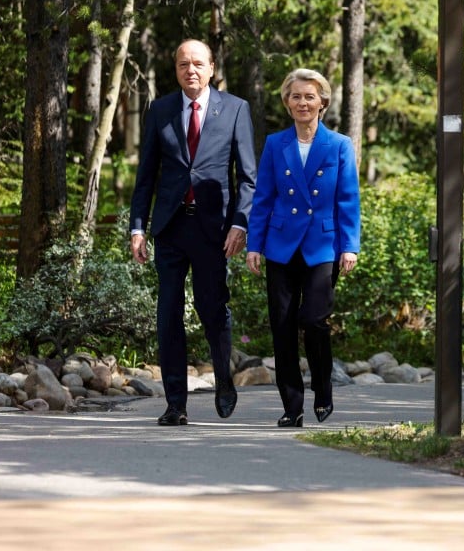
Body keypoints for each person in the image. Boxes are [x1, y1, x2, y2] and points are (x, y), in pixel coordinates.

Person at [129, 39, 257, 426]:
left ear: (212, 68)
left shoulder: (235, 109)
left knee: (212, 308)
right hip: (170, 226)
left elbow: (248, 178)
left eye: (198, 64)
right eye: (184, 64)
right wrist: (138, 228)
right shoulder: (161, 110)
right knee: (168, 313)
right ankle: (175, 404)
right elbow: (146, 175)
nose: (191, 71)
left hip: (214, 229)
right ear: (176, 70)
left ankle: (223, 380)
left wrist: (240, 223)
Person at [246, 68, 360, 428]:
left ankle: (323, 388)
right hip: (280, 246)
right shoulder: (275, 144)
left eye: (310, 96)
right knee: (281, 326)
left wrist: (350, 246)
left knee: (314, 320)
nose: (303, 102)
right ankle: (292, 406)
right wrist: (254, 244)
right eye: (296, 96)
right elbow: (263, 198)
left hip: (322, 247)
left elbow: (348, 199)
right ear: (287, 102)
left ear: (322, 102)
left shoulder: (339, 145)